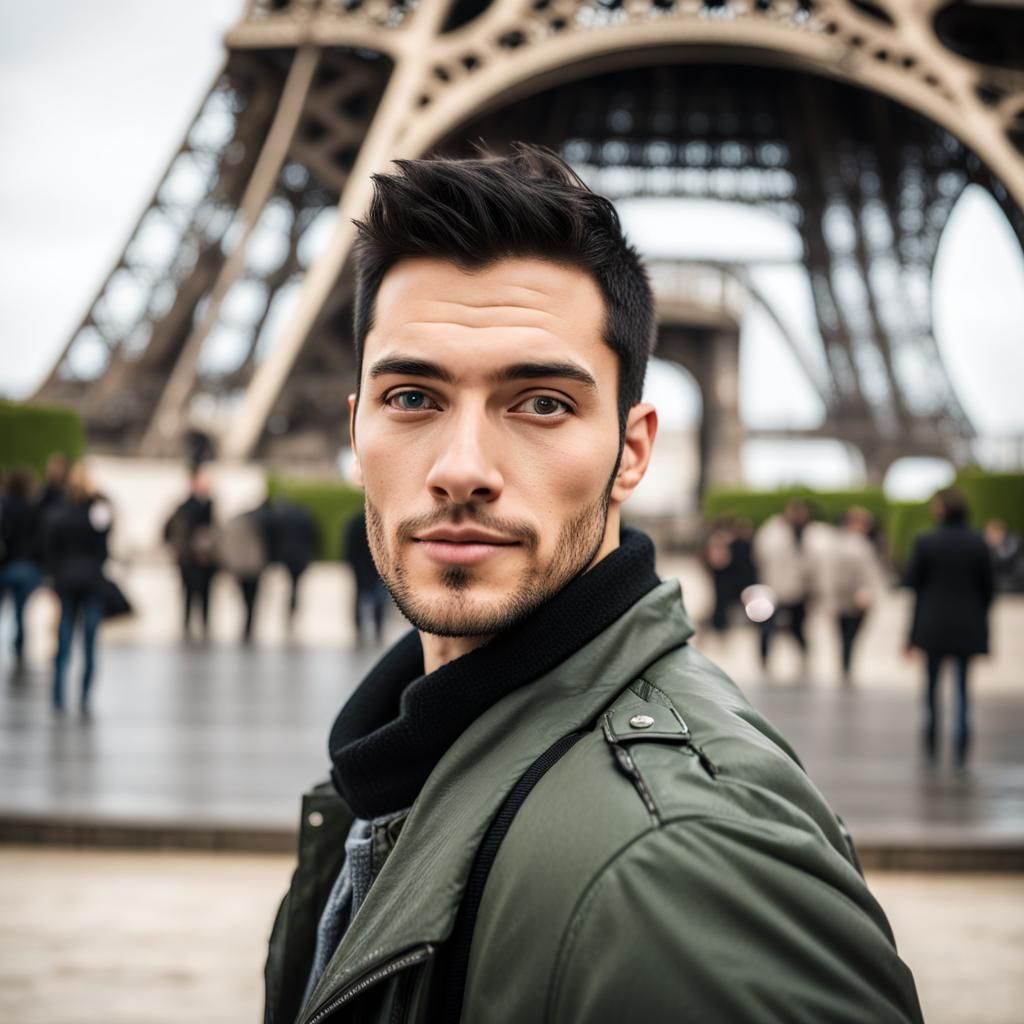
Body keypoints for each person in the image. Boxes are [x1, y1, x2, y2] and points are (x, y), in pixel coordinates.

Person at [264, 148, 922, 1024]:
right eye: (413, 398)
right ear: (358, 431)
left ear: (633, 449)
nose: (462, 471)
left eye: (541, 403)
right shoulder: (405, 763)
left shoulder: (685, 866)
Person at [904, 489, 995, 765]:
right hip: (967, 625)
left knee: (931, 691)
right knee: (963, 692)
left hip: (933, 624)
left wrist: (909, 635)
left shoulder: (927, 541)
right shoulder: (977, 542)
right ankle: (961, 752)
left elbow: (913, 583)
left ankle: (932, 748)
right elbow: (988, 589)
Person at [45, 464, 113, 714]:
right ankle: (84, 695)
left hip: (66, 582)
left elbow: (51, 548)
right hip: (91, 582)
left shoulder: (59, 513)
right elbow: (104, 548)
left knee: (63, 641)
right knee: (89, 642)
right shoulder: (98, 512)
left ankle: (58, 696)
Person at [823, 506, 887, 684]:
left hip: (842, 598)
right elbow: (869, 574)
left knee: (844, 636)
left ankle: (845, 665)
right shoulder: (859, 545)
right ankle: (846, 666)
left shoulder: (837, 543)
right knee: (850, 636)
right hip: (855, 598)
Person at [751, 498, 815, 672]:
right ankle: (764, 660)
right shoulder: (772, 533)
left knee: (797, 628)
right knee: (768, 629)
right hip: (773, 588)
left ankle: (803, 658)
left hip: (796, 589)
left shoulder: (805, 533)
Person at [164, 467, 217, 641]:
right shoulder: (185, 507)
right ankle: (188, 626)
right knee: (188, 595)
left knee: (205, 596)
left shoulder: (210, 504)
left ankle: (203, 626)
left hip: (206, 560)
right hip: (189, 560)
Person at [0, 467, 45, 668]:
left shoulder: (6, 508)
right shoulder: (35, 510)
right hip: (28, 567)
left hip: (8, 565)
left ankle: (18, 648)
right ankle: (19, 648)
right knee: (21, 613)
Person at [217, 503, 271, 644]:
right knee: (251, 600)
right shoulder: (256, 525)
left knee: (246, 600)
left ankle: (247, 626)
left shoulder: (233, 526)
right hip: (252, 567)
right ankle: (249, 626)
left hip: (242, 568)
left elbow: (227, 548)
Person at [269, 499, 318, 628]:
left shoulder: (283, 518)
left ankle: (290, 609)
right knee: (295, 585)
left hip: (288, 556)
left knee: (292, 585)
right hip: (301, 556)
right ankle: (293, 608)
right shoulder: (304, 517)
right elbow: (314, 536)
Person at [342, 510, 388, 645]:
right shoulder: (381, 522)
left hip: (359, 565)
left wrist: (350, 563)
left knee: (358, 595)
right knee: (379, 597)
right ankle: (378, 627)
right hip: (376, 566)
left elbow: (348, 546)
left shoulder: (354, 522)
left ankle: (359, 626)